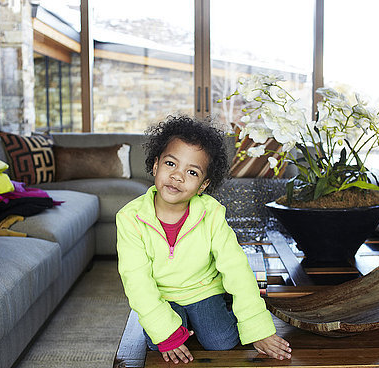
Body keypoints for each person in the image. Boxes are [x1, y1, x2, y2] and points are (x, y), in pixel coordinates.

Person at [116, 115, 292, 364]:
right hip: (162, 294)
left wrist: (256, 327)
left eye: (191, 172)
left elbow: (236, 268)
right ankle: (177, 324)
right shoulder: (130, 218)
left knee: (222, 342)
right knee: (159, 344)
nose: (177, 176)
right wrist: (165, 331)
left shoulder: (211, 213)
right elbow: (136, 280)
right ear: (155, 166)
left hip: (204, 289)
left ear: (202, 185)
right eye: (170, 164)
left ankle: (228, 305)